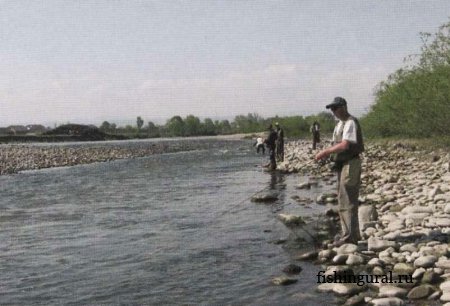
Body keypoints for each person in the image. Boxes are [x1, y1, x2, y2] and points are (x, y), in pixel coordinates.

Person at [315, 97, 364, 245]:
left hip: (351, 164)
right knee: (343, 199)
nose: (333, 112)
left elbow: (345, 145)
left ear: (343, 107)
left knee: (347, 200)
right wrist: (329, 156)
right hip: (343, 164)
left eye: (335, 108)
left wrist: (325, 152)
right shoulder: (339, 125)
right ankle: (352, 235)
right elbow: (336, 145)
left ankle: (349, 238)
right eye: (332, 109)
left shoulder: (350, 123)